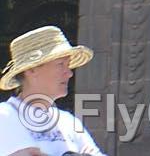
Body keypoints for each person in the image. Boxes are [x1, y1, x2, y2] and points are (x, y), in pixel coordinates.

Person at [0, 26, 102, 156]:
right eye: (60, 64)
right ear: (31, 70)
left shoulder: (68, 121)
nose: (69, 73)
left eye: (68, 65)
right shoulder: (5, 114)